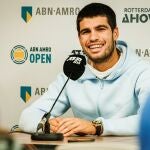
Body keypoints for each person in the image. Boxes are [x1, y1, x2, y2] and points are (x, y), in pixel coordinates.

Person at [19, 3, 150, 137]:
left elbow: (148, 121)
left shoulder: (142, 71)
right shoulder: (72, 73)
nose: (93, 38)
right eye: (85, 32)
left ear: (115, 33)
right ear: (79, 38)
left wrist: (96, 127)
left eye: (101, 29)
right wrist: (48, 124)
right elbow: (27, 116)